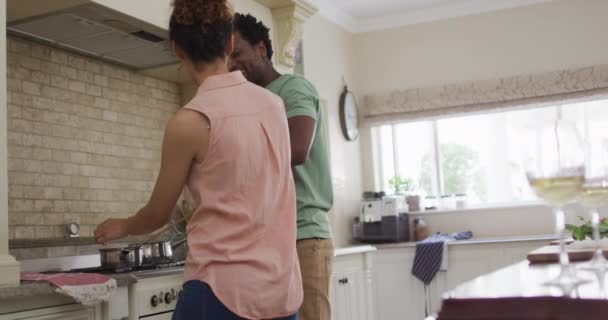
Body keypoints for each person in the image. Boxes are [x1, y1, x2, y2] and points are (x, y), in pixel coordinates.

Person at [93, 1, 302, 319]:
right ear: (230, 44)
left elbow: (157, 214)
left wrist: (122, 225)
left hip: (221, 292)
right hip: (281, 293)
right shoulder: (274, 106)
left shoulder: (188, 122)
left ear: (177, 50)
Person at [230, 13, 334, 320]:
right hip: (267, 240)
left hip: (304, 236)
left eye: (238, 54)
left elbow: (297, 149)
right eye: (227, 57)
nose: (232, 64)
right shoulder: (247, 102)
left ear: (261, 49)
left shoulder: (293, 88)